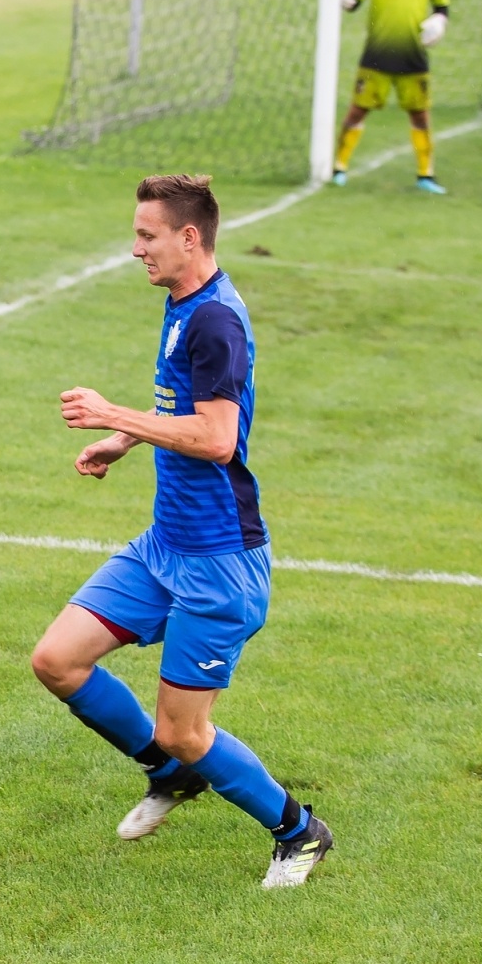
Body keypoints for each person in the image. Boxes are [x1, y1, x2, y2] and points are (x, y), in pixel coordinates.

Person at [30, 174, 333, 889]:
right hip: (164, 544)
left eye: (148, 236)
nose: (136, 249)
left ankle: (299, 832)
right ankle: (169, 775)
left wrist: (113, 413)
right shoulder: (184, 304)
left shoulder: (214, 321)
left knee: (184, 730)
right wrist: (125, 441)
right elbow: (180, 406)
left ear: (188, 237)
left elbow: (218, 439)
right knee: (57, 660)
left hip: (218, 563)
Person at [331, 0, 452, 194]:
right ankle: (338, 168)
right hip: (377, 55)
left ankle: (425, 175)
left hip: (413, 57)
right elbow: (353, 3)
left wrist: (439, 22)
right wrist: (345, 0)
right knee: (358, 110)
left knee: (420, 115)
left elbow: (442, 8)